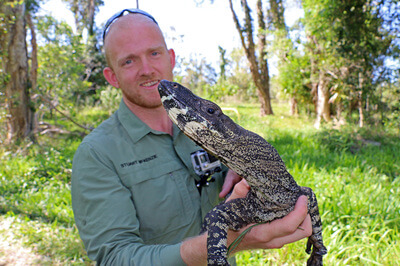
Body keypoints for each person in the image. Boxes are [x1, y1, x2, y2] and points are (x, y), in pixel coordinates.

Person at [71, 9, 312, 265]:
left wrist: (250, 176)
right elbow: (114, 258)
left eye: (154, 53)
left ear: (171, 58)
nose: (146, 69)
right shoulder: (97, 153)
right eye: (128, 61)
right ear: (111, 77)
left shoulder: (210, 124)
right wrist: (223, 243)